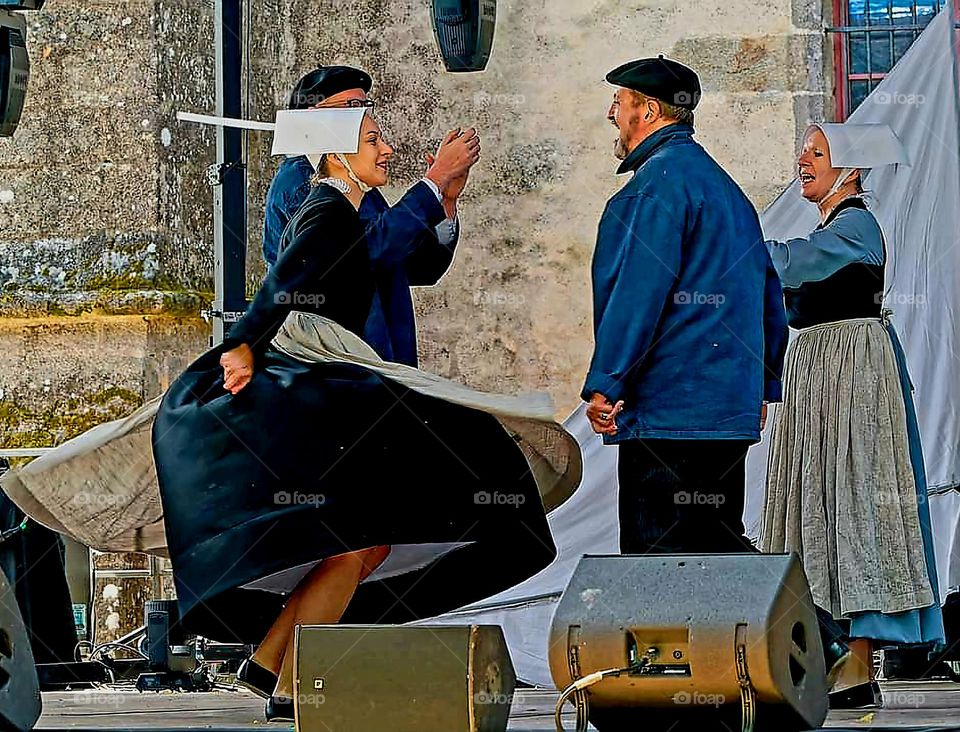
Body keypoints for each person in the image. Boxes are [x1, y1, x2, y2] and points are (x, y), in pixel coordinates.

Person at [152, 108, 572, 721]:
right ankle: (284, 676)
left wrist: (445, 198)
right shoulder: (328, 209)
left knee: (360, 545)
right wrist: (243, 341)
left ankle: (273, 666)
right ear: (335, 156)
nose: (385, 148)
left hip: (330, 374)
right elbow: (284, 283)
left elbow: (405, 261)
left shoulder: (342, 209)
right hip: (314, 378)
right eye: (370, 140)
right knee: (368, 534)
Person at [760, 122, 945, 708]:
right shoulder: (833, 226)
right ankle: (835, 658)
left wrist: (732, 243)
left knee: (856, 502)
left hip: (853, 378)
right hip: (820, 379)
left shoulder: (858, 223)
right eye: (804, 151)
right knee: (823, 505)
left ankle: (857, 665)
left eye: (817, 153)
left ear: (852, 169)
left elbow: (795, 264)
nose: (803, 160)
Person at [582, 55, 788, 555]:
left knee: (661, 571)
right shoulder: (726, 190)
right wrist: (760, 386)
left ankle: (820, 633)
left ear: (649, 112)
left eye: (620, 103)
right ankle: (813, 632)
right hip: (725, 412)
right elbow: (768, 298)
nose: (612, 114)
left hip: (669, 412)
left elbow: (635, 296)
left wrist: (607, 383)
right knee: (714, 553)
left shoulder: (653, 190)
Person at [262, 65, 473, 366]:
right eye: (351, 107)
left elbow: (417, 267)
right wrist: (434, 182)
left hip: (378, 361)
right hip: (329, 364)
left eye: (364, 106)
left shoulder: (356, 185)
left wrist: (446, 200)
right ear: (314, 116)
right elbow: (360, 254)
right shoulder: (301, 179)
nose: (362, 115)